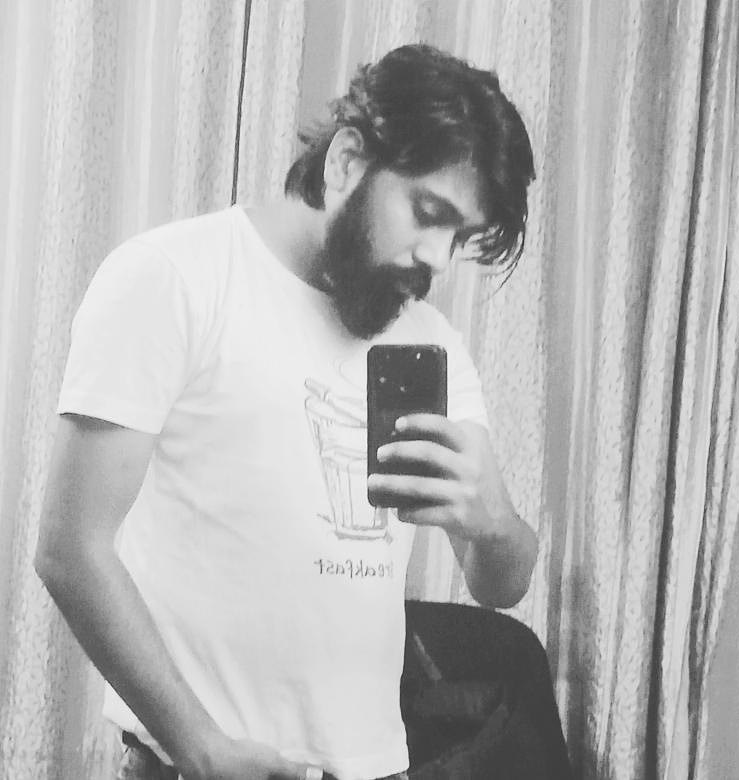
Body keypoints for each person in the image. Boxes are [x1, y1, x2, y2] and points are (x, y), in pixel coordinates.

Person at [35, 44, 538, 780]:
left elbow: (501, 584)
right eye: (429, 214)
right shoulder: (173, 279)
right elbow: (70, 549)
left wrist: (494, 523)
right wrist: (200, 748)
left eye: (458, 238)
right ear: (346, 161)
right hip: (196, 767)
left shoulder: (431, 341)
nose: (439, 259)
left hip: (377, 766)